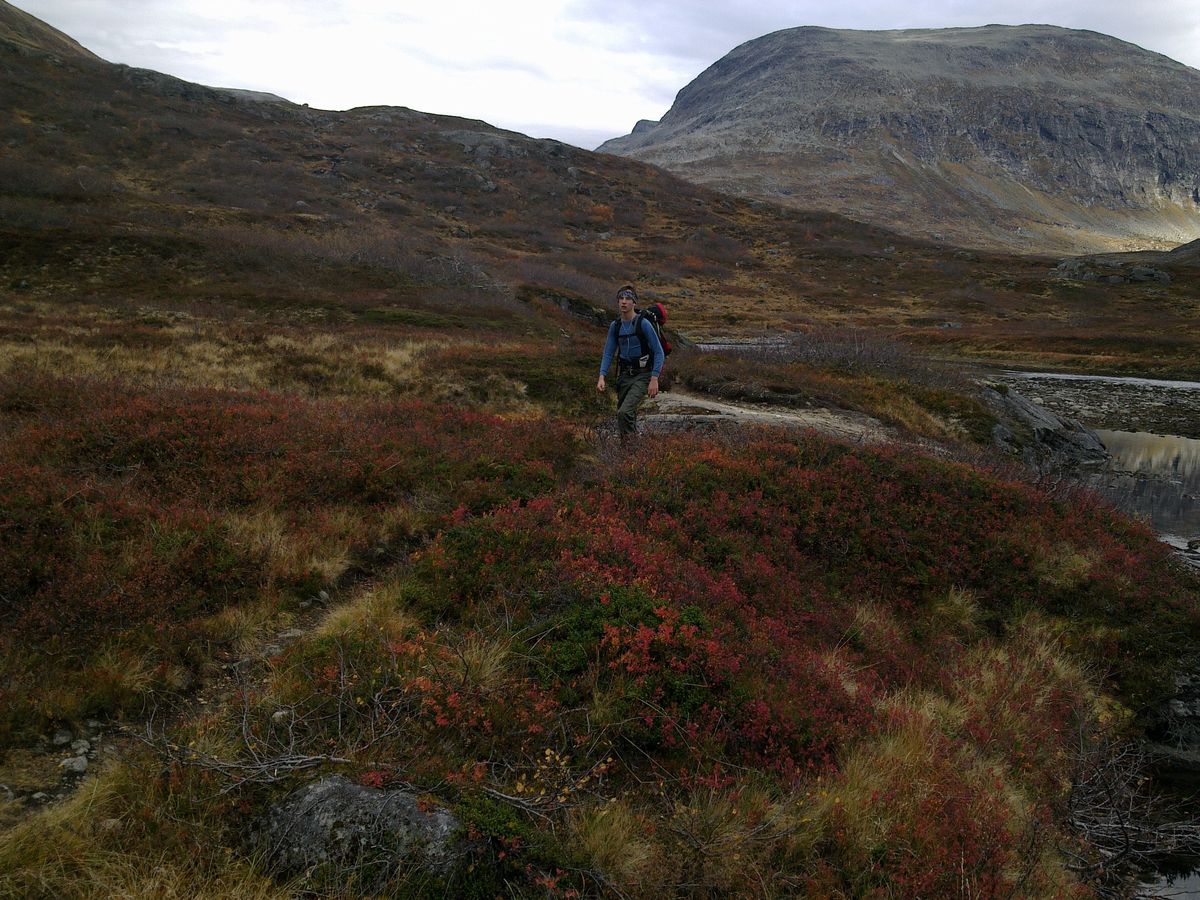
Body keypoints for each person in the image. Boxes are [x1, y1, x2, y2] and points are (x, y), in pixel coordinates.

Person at [596, 284, 665, 441]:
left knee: (624, 412)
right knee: (624, 414)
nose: (623, 302)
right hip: (624, 376)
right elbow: (608, 352)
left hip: (643, 375)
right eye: (621, 298)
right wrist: (602, 375)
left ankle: (630, 449)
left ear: (634, 303)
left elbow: (658, 352)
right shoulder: (616, 326)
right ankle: (630, 451)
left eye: (628, 298)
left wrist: (654, 379)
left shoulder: (643, 324)